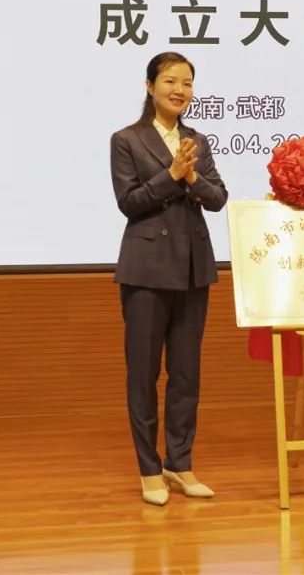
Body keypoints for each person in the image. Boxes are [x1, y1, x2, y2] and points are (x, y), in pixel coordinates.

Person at [110, 52, 228, 505]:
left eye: (187, 83)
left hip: (193, 268)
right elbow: (129, 201)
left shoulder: (197, 139)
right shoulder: (127, 139)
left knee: (186, 374)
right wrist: (171, 175)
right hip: (146, 271)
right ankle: (149, 468)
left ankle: (180, 463)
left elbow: (218, 198)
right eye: (170, 81)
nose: (180, 90)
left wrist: (192, 176)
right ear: (150, 86)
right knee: (144, 374)